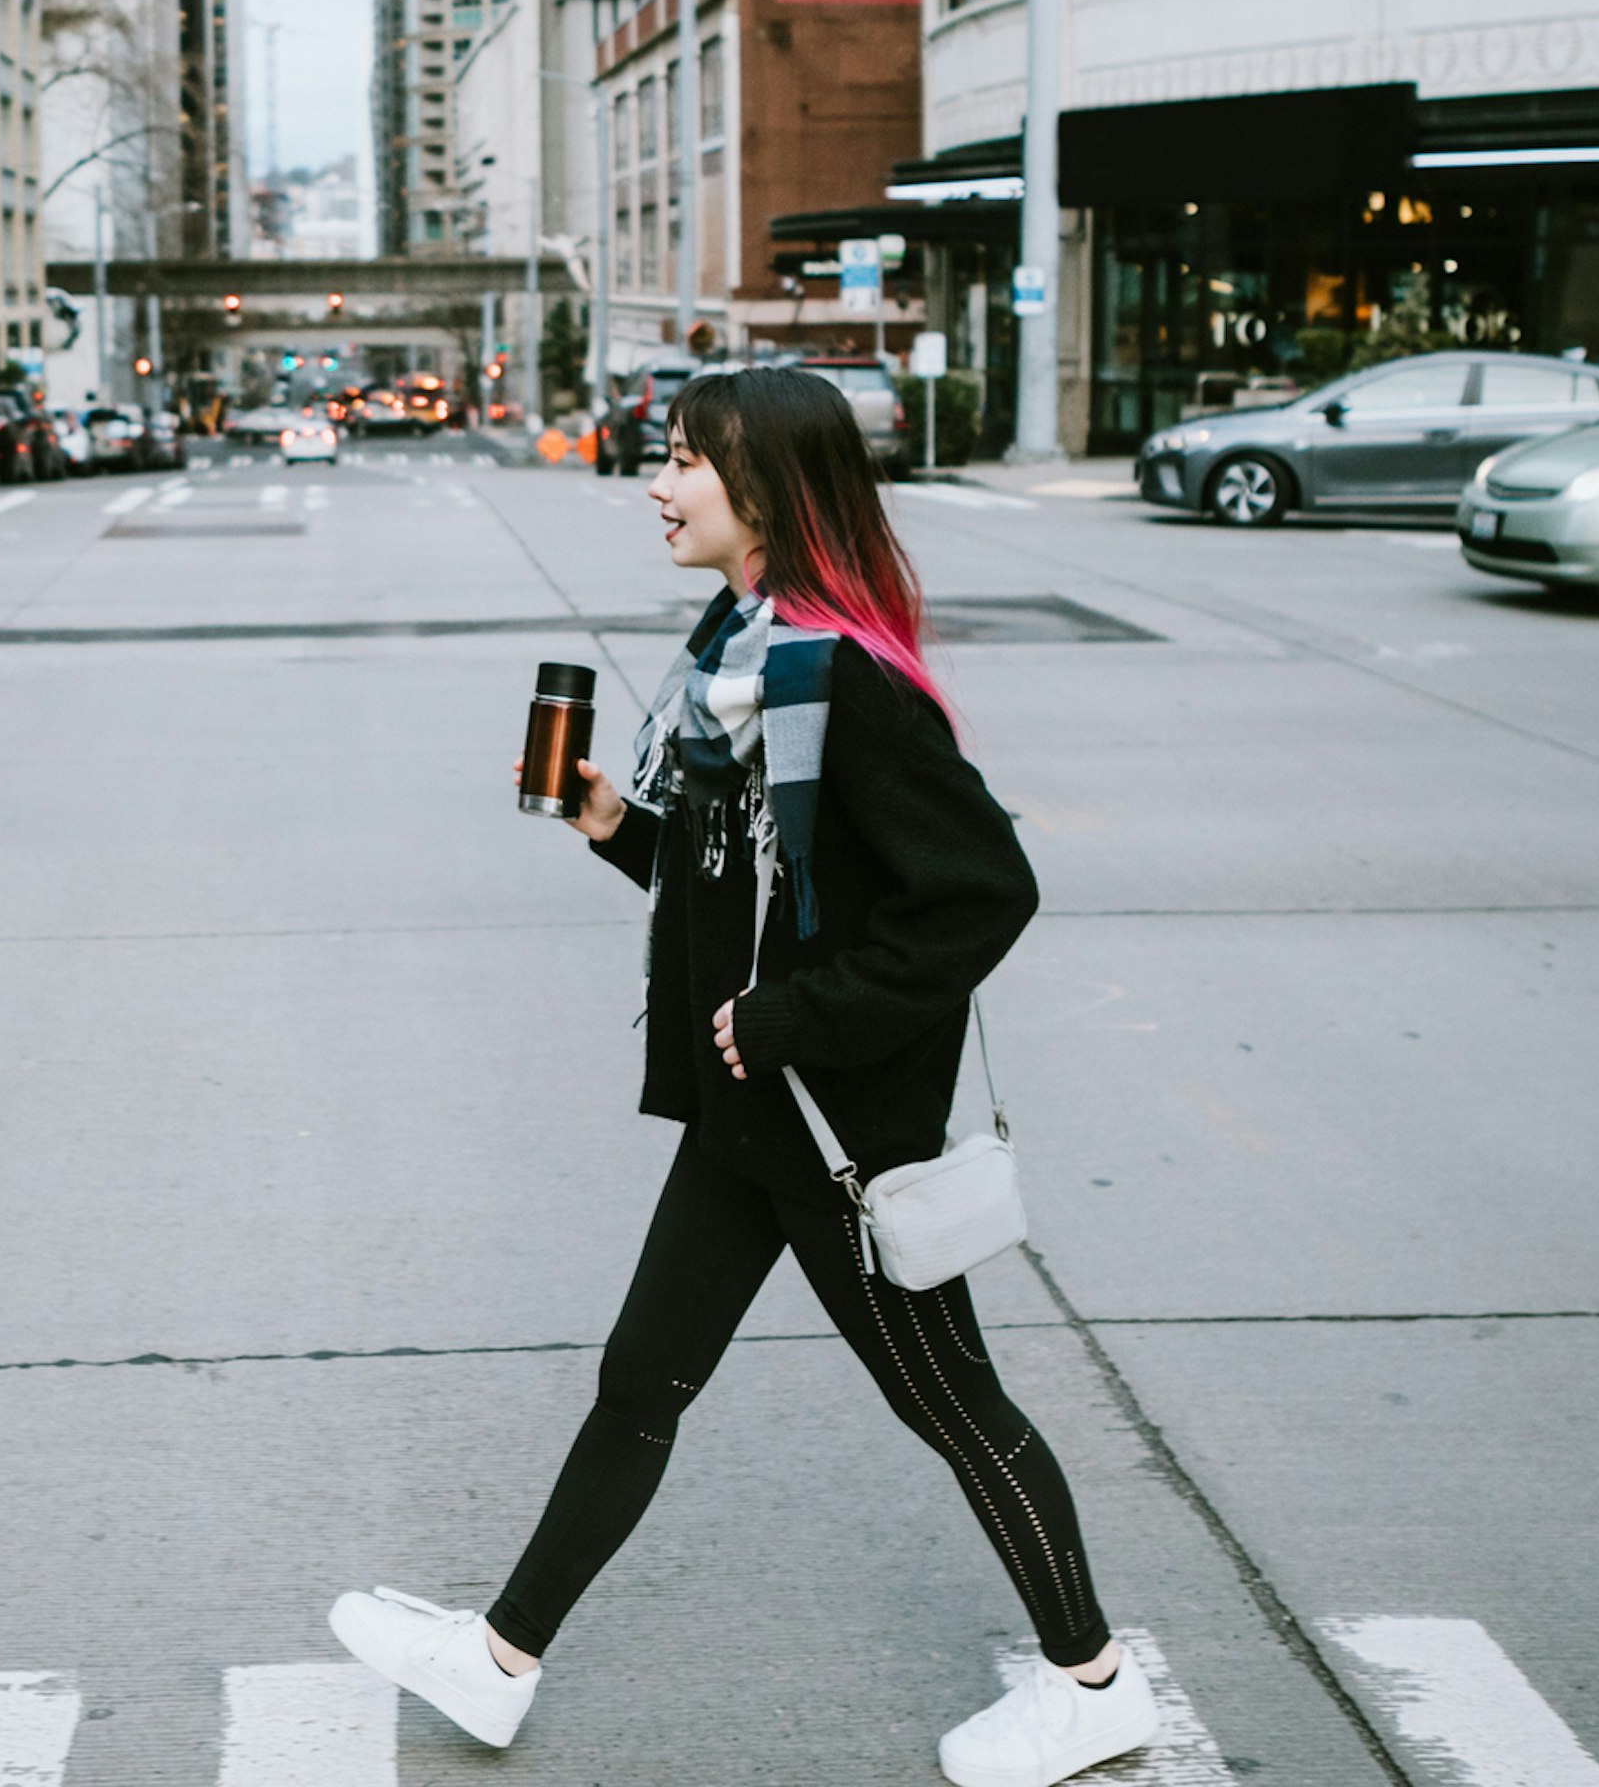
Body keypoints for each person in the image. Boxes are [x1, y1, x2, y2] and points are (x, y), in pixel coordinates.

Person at [327, 367, 1154, 1787]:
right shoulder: (740, 656)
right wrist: (614, 824)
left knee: (952, 1403)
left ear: (763, 487)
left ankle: (1092, 1685)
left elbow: (979, 899)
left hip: (833, 1128)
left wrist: (791, 1022)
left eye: (684, 460)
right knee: (642, 1374)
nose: (657, 483)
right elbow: (746, 888)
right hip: (750, 1115)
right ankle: (501, 1657)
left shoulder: (843, 677)